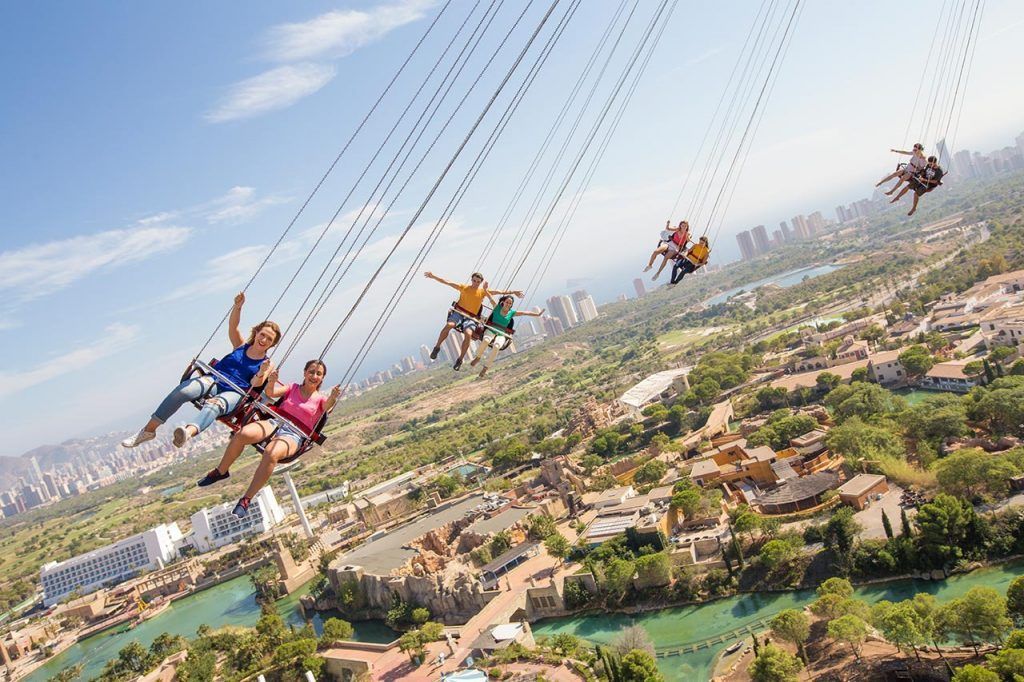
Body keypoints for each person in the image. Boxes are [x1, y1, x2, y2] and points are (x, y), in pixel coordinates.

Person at [122, 293, 280, 449]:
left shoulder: (267, 362)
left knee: (215, 405)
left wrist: (262, 371)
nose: (264, 340)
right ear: (257, 333)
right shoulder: (240, 346)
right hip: (216, 380)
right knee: (183, 391)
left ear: (272, 345)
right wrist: (237, 307)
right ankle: (148, 431)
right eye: (263, 335)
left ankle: (187, 433)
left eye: (269, 339)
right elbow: (233, 327)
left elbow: (256, 383)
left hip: (236, 392)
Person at [197, 359, 340, 518]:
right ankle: (221, 471)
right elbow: (271, 393)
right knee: (242, 434)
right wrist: (271, 381)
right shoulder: (292, 388)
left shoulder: (320, 399)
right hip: (275, 422)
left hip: (295, 434)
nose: (314, 376)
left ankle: (246, 500)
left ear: (322, 378)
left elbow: (327, 408)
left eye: (318, 374)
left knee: (271, 453)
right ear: (305, 373)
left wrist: (333, 396)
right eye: (311, 372)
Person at [424, 271, 522, 370]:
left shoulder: (482, 292)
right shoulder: (464, 288)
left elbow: (498, 292)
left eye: (478, 282)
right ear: (471, 280)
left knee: (468, 334)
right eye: (474, 281)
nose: (476, 283)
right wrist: (433, 276)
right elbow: (447, 282)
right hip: (459, 313)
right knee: (449, 325)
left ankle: (460, 359)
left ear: (480, 282)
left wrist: (512, 292)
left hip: (471, 317)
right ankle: (437, 347)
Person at [469, 297, 545, 378]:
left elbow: (524, 313)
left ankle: (486, 367)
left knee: (497, 346)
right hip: (491, 329)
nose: (508, 304)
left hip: (501, 333)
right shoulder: (497, 307)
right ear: (503, 302)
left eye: (510, 303)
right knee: (486, 340)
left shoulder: (511, 313)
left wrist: (537, 314)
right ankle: (478, 357)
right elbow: (491, 298)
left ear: (511, 305)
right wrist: (485, 289)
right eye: (507, 302)